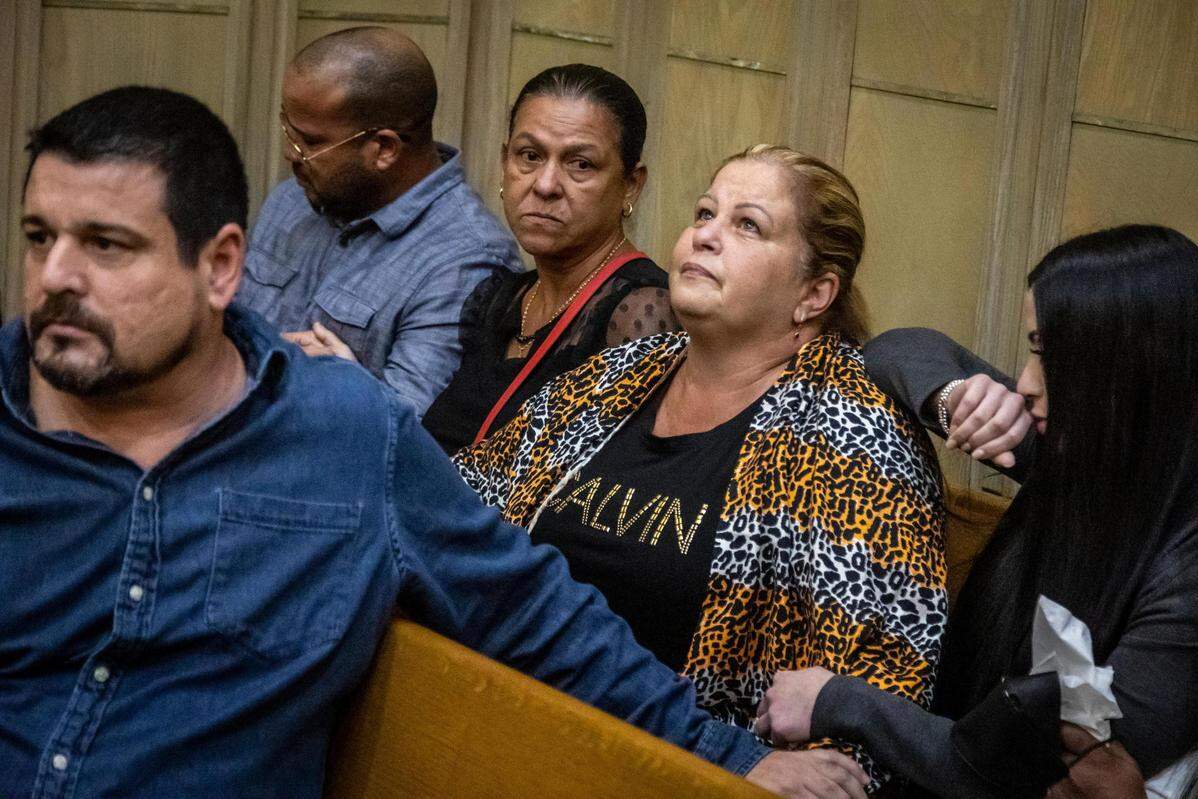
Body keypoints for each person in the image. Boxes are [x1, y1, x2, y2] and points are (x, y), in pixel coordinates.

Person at [0, 86, 884, 799]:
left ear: (222, 266)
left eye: (108, 246)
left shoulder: (339, 435)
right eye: (40, 238)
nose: (56, 279)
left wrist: (726, 754)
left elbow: (528, 605)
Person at [454, 144, 948, 793]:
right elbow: (463, 513)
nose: (707, 235)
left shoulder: (857, 436)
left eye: (747, 225)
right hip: (507, 733)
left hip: (693, 777)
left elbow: (879, 682)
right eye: (706, 213)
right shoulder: (614, 376)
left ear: (814, 292)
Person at [753, 225, 1198, 797]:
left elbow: (1024, 773)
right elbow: (897, 348)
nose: (1027, 384)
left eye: (1048, 355)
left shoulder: (1186, 573)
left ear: (1124, 367)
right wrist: (958, 398)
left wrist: (837, 700)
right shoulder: (1092, 457)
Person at [235, 26, 523, 416]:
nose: (291, 153)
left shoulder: (465, 261)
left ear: (384, 148)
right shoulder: (293, 199)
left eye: (311, 142)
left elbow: (413, 441)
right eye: (289, 130)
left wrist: (346, 390)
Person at [422, 64, 677, 453]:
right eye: (530, 156)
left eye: (581, 164)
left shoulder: (639, 311)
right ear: (504, 162)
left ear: (631, 185)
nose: (544, 185)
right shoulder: (500, 298)